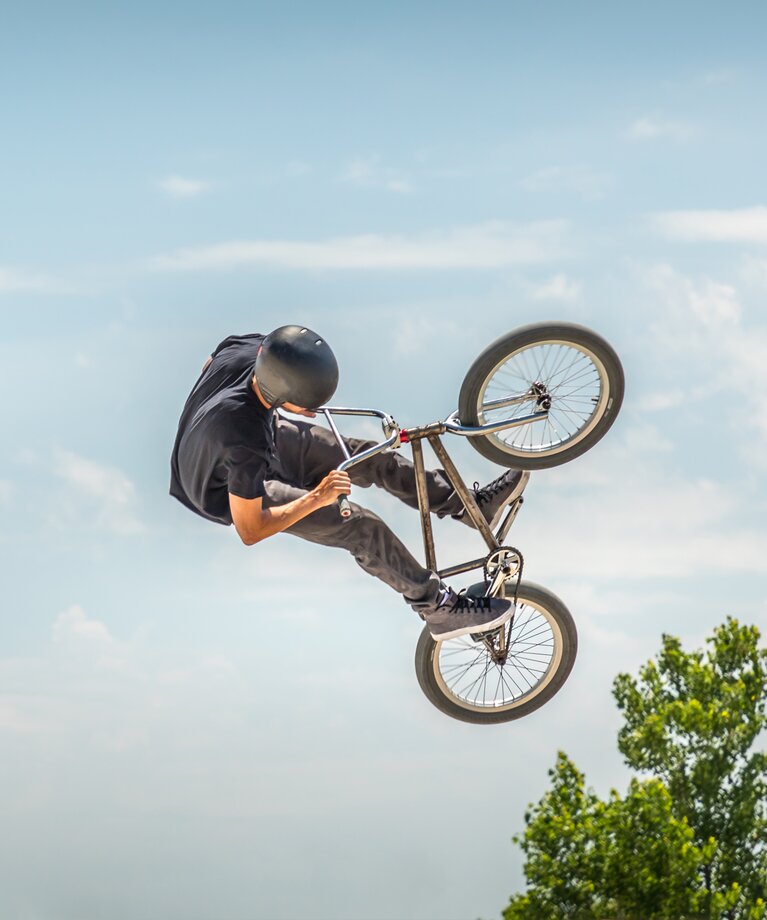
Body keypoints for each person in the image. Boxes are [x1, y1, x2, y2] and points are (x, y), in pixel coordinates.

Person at [170, 326, 529, 640]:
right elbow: (250, 529)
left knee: (372, 456)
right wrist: (318, 497)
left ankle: (469, 506)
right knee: (359, 526)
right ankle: (440, 608)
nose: (313, 411)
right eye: (308, 405)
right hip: (224, 486)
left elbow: (210, 363)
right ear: (280, 393)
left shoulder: (250, 349)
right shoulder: (243, 440)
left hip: (261, 436)